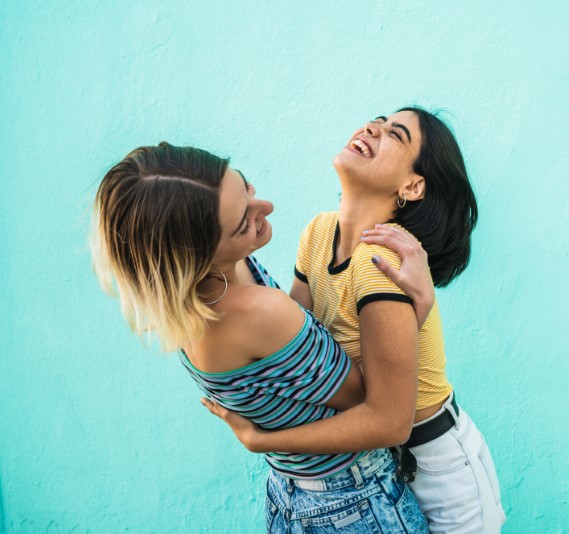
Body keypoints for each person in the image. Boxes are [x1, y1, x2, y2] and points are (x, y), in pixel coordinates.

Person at [90, 142, 431, 532]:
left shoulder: (204, 288)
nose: (264, 208)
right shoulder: (256, 311)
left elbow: (299, 359)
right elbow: (375, 407)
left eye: (247, 187)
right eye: (243, 223)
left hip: (291, 494)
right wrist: (417, 305)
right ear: (197, 258)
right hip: (352, 503)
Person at [204, 107, 506, 533]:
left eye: (394, 135)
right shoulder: (318, 233)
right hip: (378, 460)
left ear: (412, 185)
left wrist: (265, 442)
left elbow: (388, 420)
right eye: (377, 121)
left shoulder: (382, 260)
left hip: (439, 465)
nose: (372, 129)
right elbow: (304, 350)